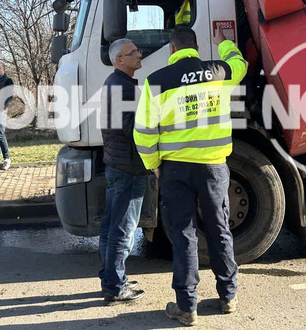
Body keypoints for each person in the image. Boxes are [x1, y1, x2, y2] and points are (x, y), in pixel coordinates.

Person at [134, 26, 248, 325]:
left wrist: (154, 164)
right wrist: (225, 44)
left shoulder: (156, 81)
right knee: (219, 229)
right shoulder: (220, 71)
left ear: (172, 50)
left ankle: (187, 306)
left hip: (175, 169)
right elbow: (241, 64)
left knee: (183, 235)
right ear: (195, 48)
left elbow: (144, 131)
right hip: (213, 167)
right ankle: (228, 297)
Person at [98, 38, 148, 303]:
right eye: (133, 52)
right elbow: (133, 129)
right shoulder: (123, 87)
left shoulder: (115, 83)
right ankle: (116, 287)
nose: (140, 54)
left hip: (116, 164)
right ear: (119, 60)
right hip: (129, 167)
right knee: (123, 229)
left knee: (110, 226)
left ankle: (110, 279)